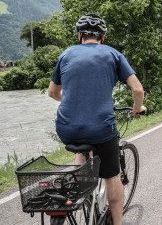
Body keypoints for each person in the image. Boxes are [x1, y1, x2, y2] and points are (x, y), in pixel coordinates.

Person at [48, 13, 146, 225]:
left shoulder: (66, 54)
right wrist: (137, 109)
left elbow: (53, 93)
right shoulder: (113, 54)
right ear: (102, 37)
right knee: (112, 176)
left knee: (81, 151)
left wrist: (74, 101)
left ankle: (80, 185)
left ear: (80, 35)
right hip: (100, 128)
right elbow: (137, 89)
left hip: (66, 128)